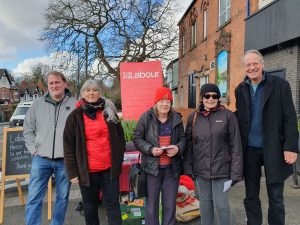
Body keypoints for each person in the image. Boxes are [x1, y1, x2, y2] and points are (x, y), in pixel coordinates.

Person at [235, 49, 299, 225]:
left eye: (255, 63)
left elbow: (290, 117)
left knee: (276, 196)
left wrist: (291, 146)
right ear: (244, 68)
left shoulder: (280, 85)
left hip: (274, 148)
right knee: (251, 195)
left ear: (262, 64)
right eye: (248, 65)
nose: (252, 67)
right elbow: (241, 115)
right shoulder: (240, 89)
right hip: (250, 150)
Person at [63, 79, 125, 225]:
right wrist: (72, 173)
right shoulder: (75, 116)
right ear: (82, 93)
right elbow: (68, 146)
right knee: (90, 206)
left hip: (109, 169)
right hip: (88, 171)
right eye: (88, 90)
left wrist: (118, 159)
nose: (91, 93)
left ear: (100, 92)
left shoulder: (108, 112)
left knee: (113, 205)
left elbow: (120, 137)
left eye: (95, 90)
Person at [184, 83, 243, 225]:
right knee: (205, 203)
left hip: (222, 171)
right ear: (201, 98)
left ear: (218, 98)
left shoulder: (228, 116)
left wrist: (236, 174)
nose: (211, 99)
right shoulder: (194, 118)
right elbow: (188, 146)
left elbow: (236, 146)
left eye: (214, 96)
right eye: (207, 95)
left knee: (221, 205)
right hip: (201, 170)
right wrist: (188, 168)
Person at [23, 71, 76, 225]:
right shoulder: (37, 105)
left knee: (62, 198)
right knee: (33, 198)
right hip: (41, 159)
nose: (54, 86)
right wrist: (33, 150)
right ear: (47, 86)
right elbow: (28, 130)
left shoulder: (74, 104)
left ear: (65, 83)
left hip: (65, 160)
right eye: (51, 83)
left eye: (57, 82)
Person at [133, 87, 186, 225]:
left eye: (168, 101)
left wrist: (178, 148)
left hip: (171, 169)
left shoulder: (176, 118)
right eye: (162, 100)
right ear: (156, 102)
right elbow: (137, 139)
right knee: (152, 205)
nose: (165, 104)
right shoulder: (146, 117)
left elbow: (183, 139)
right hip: (152, 169)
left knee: (170, 205)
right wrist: (150, 149)